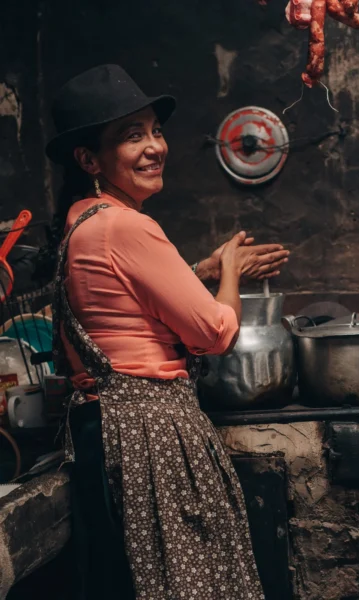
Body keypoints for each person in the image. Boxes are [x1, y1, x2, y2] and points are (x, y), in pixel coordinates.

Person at [47, 64, 288, 600]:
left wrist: (196, 274)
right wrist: (227, 268)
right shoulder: (127, 225)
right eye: (133, 136)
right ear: (89, 159)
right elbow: (216, 332)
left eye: (155, 130)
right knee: (188, 582)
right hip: (151, 430)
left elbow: (121, 304)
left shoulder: (82, 223)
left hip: (107, 430)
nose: (155, 146)